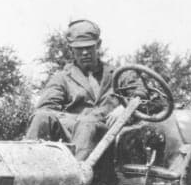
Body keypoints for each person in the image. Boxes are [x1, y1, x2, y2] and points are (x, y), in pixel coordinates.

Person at [25, 19, 135, 162]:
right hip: (73, 132)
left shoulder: (118, 75)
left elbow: (147, 98)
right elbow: (46, 110)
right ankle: (27, 168)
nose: (84, 53)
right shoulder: (62, 78)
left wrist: (126, 108)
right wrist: (77, 119)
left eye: (89, 47)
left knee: (88, 124)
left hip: (106, 132)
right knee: (41, 117)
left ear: (98, 45)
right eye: (79, 49)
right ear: (71, 50)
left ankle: (75, 177)